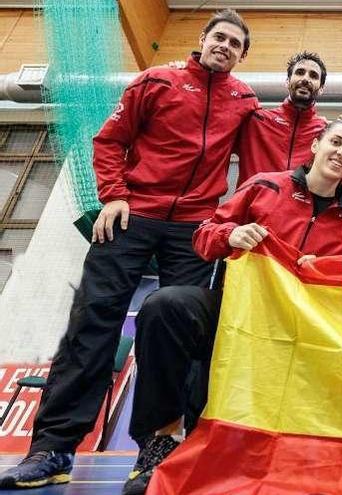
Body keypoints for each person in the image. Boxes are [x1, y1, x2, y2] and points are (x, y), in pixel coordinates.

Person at [0, 9, 258, 490]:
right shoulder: (156, 80)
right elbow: (109, 139)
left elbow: (270, 151)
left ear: (242, 56)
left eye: (235, 43)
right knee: (92, 323)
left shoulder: (243, 100)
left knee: (177, 330)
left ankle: (158, 444)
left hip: (192, 229)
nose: (224, 46)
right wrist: (115, 194)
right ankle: (53, 448)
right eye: (218, 37)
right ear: (202, 40)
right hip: (132, 215)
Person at [119, 120, 342, 495]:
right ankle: (162, 439)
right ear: (315, 145)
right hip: (236, 311)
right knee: (165, 307)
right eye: (336, 142)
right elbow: (204, 235)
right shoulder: (265, 185)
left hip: (298, 333)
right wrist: (230, 234)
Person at [235, 51, 329, 183]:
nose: (306, 79)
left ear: (321, 89)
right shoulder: (255, 121)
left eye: (313, 76)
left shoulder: (326, 132)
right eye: (300, 72)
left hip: (300, 203)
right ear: (287, 81)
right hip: (253, 202)